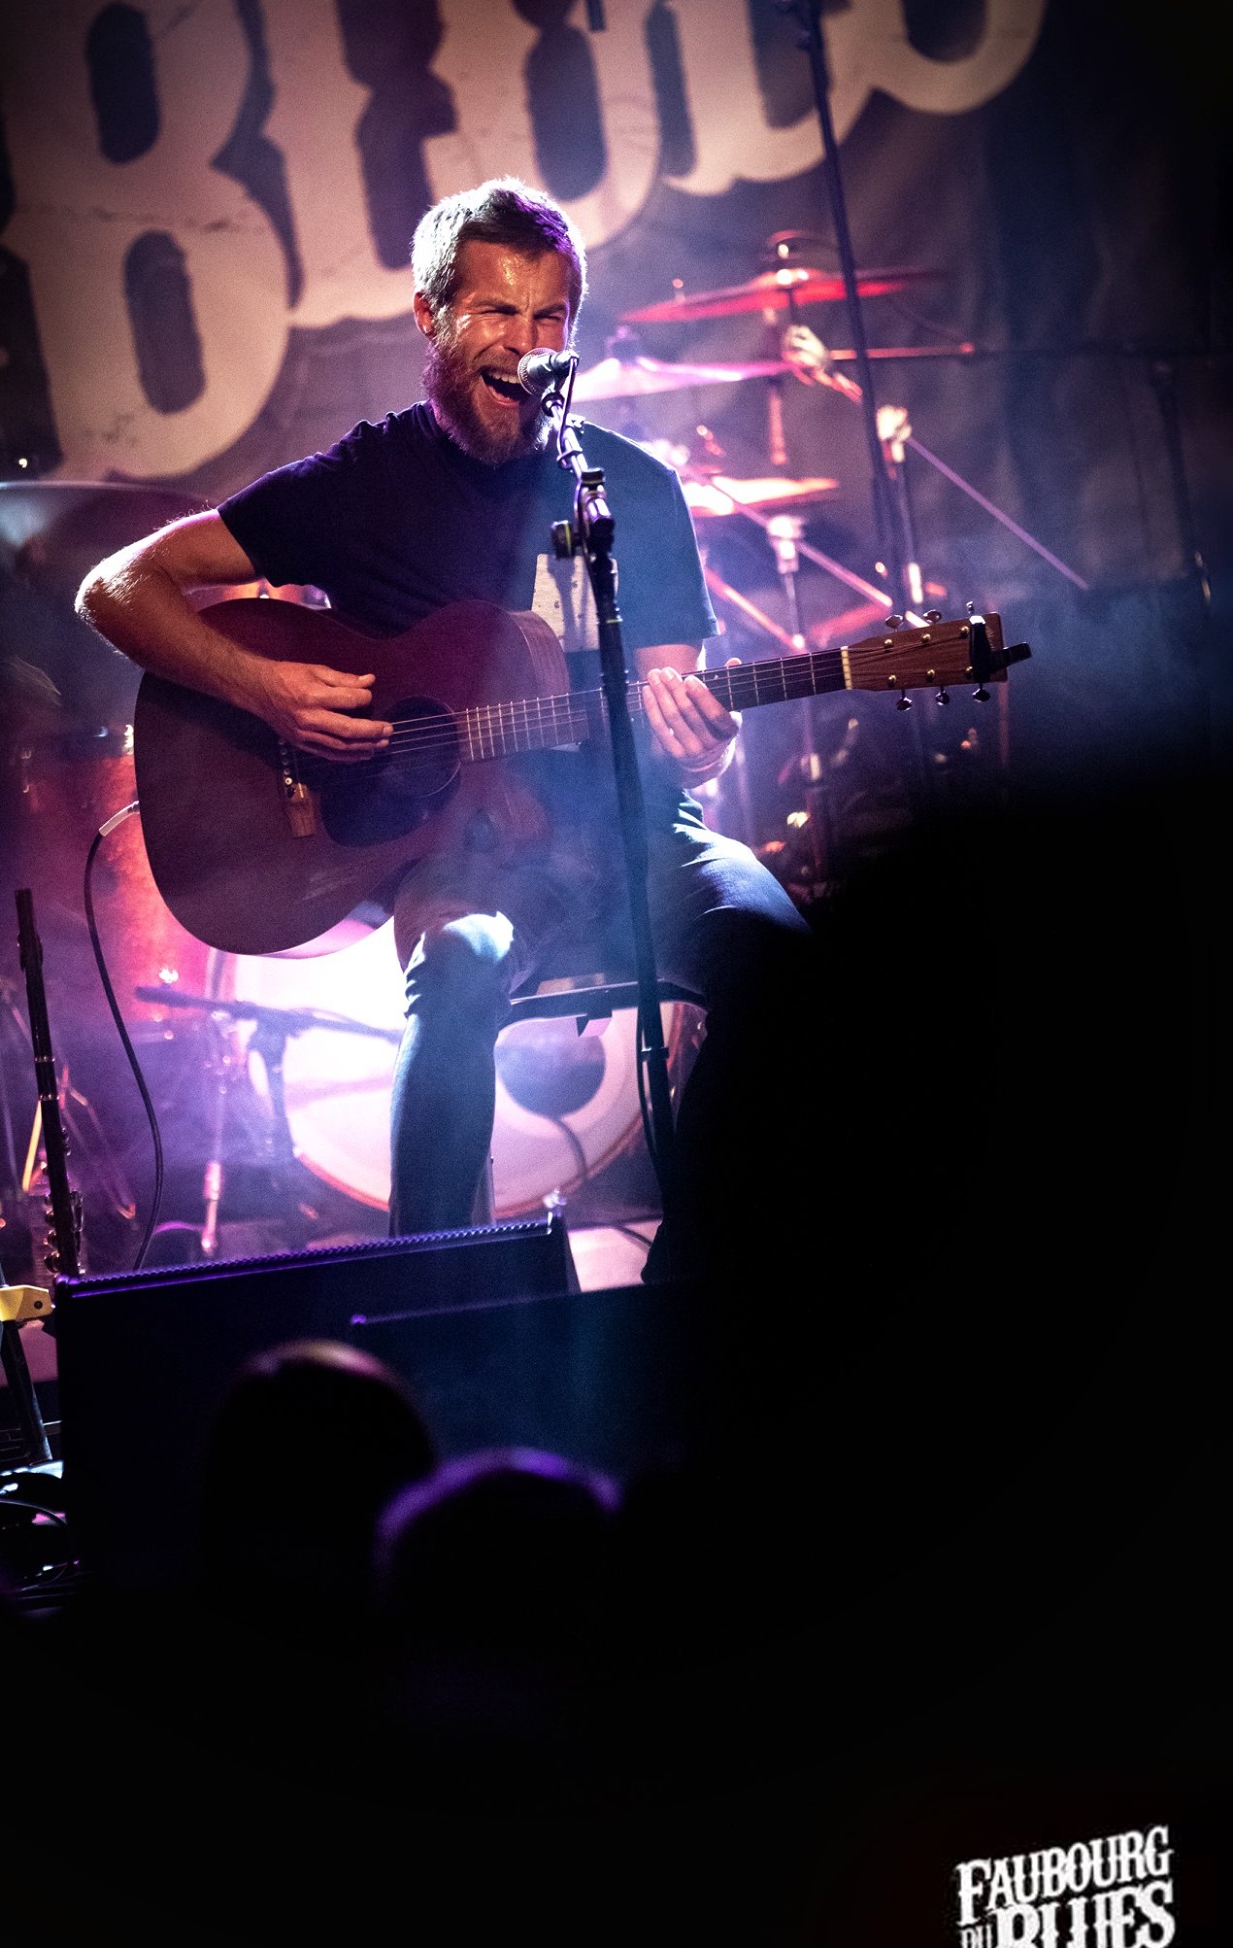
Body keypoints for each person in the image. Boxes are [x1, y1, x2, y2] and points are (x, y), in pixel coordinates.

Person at [77, 176, 815, 1283]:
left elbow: (677, 704)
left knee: (786, 961)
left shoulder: (628, 489)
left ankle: (690, 1281)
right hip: (462, 856)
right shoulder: (361, 483)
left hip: (634, 835)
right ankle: (431, 1300)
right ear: (430, 317)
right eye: (495, 312)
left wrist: (701, 740)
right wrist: (267, 690)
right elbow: (117, 585)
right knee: (459, 967)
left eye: (549, 316)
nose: (525, 344)